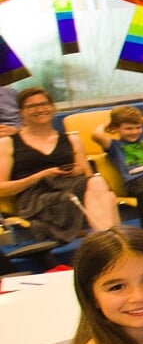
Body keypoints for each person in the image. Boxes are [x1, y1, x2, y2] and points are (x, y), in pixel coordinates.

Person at [0, 85, 116, 243]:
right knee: (104, 196)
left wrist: (78, 170)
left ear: (52, 108)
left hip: (71, 187)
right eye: (32, 106)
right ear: (20, 113)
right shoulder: (8, 143)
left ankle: (106, 241)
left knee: (98, 184)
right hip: (36, 197)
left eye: (44, 104)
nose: (40, 109)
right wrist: (40, 176)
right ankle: (109, 243)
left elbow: (88, 176)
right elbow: (2, 188)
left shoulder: (72, 139)